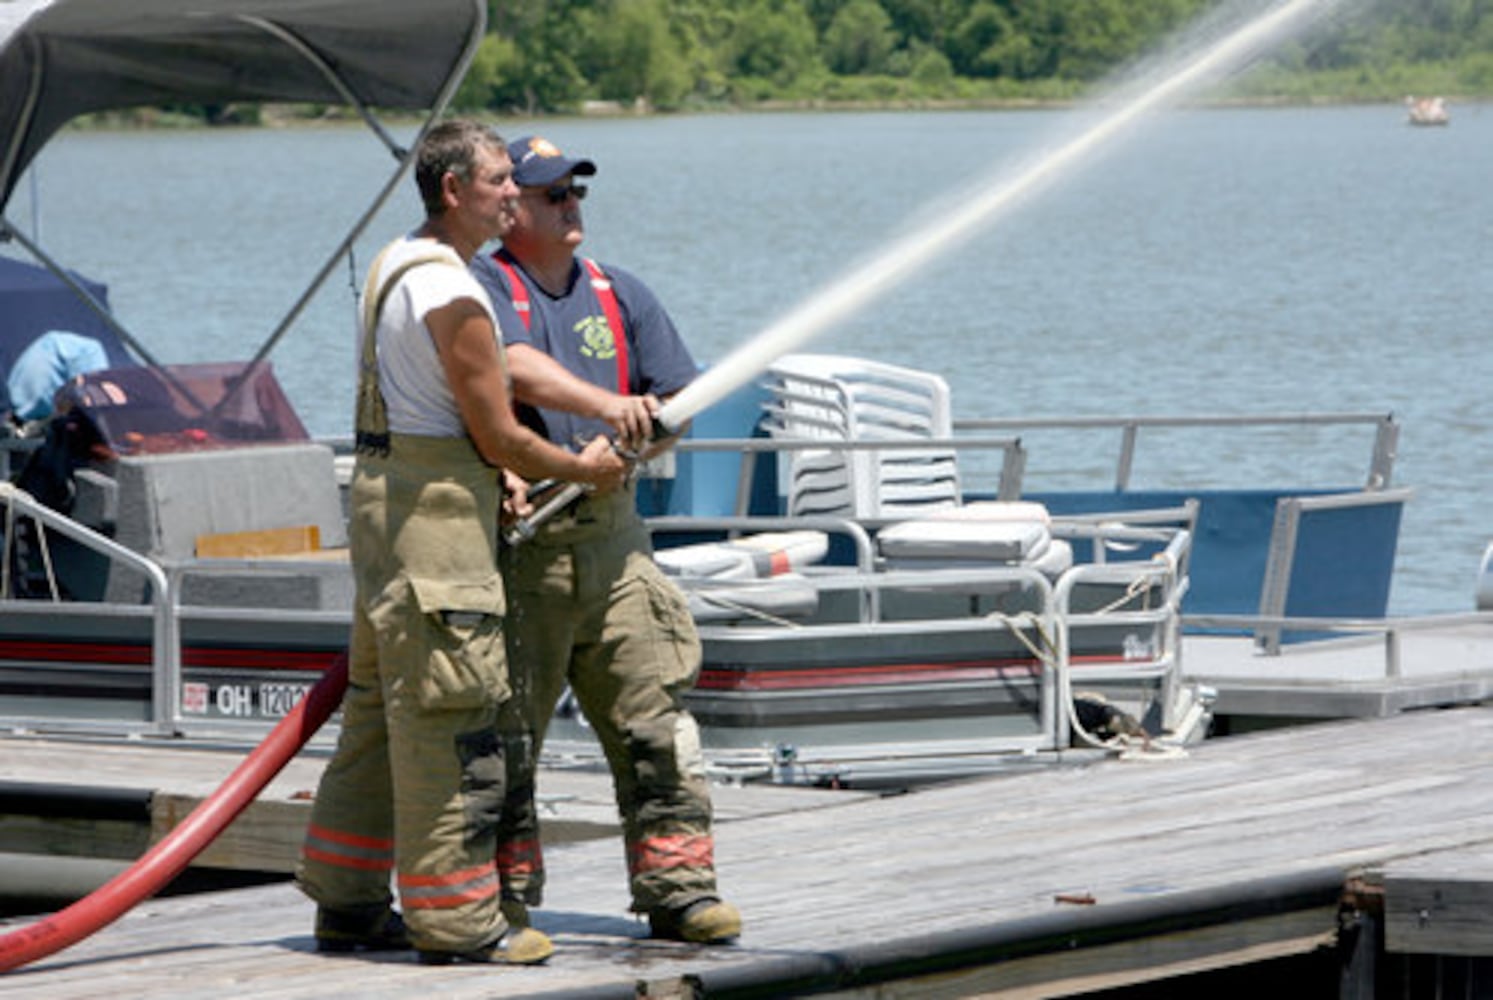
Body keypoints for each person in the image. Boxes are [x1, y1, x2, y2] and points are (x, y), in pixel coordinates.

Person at [296, 120, 628, 966]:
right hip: (433, 528)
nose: (512, 193)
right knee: (451, 713)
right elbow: (501, 436)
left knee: (376, 710)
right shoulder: (455, 291)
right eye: (496, 182)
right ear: (453, 191)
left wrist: (496, 473)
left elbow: (429, 415)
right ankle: (458, 922)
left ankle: (346, 902)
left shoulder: (393, 263)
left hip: (382, 501)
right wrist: (578, 471)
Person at [471, 135, 741, 944]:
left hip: (615, 543)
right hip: (524, 550)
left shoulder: (619, 292)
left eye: (576, 192)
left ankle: (680, 890)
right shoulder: (481, 284)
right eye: (554, 194)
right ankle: (503, 899)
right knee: (505, 735)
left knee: (655, 718)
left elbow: (674, 398)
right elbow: (509, 369)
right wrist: (595, 420)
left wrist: (631, 444)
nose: (572, 206)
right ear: (508, 207)